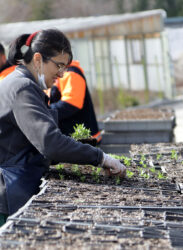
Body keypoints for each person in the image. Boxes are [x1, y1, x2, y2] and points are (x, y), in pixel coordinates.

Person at [0, 29, 126, 225]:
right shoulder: (23, 88)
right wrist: (100, 158)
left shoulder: (19, 83)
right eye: (58, 65)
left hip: (13, 184)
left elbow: (27, 142)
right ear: (38, 59)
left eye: (65, 67)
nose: (61, 73)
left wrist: (75, 148)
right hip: (10, 191)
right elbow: (50, 143)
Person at [48, 60, 102, 143]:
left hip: (80, 140)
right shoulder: (53, 72)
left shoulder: (71, 73)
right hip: (69, 140)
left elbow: (71, 104)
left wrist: (44, 110)